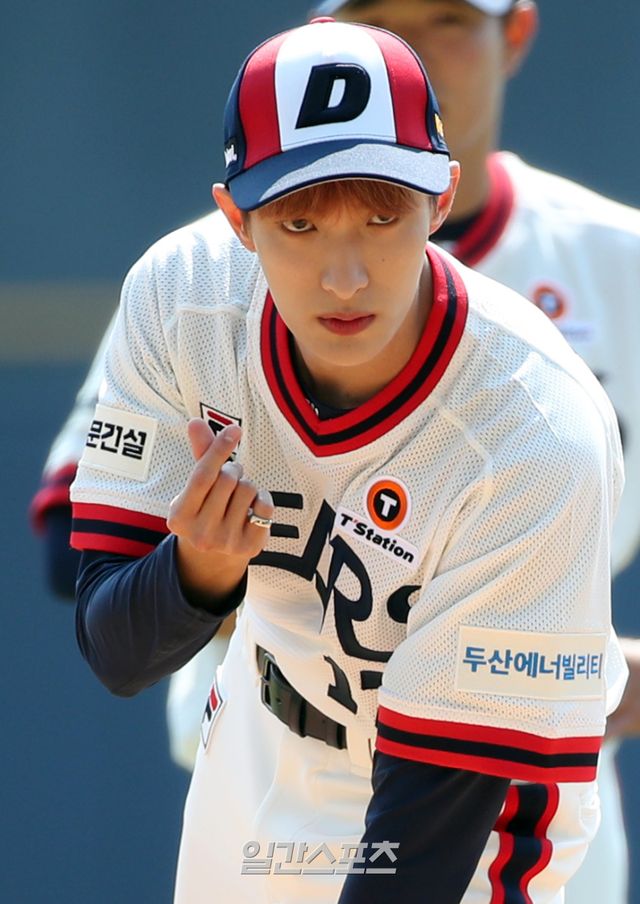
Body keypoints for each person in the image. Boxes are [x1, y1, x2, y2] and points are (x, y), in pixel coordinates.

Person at [29, 0, 640, 894]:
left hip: (474, 797)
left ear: (439, 200)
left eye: (382, 217)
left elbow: (421, 848)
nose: (345, 276)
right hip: (263, 745)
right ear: (236, 220)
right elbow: (115, 647)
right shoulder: (184, 297)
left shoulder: (536, 427)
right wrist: (196, 573)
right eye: (300, 221)